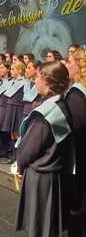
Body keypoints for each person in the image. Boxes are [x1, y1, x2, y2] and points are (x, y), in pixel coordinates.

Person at [15, 62, 71, 237]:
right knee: (48, 226)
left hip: (41, 177)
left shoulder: (47, 113)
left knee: (40, 227)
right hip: (54, 173)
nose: (35, 80)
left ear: (48, 80)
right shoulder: (62, 106)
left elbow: (29, 149)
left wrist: (20, 166)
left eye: (38, 76)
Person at [65, 48, 86, 237]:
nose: (66, 64)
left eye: (69, 61)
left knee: (76, 203)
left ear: (79, 65)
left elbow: (76, 128)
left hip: (77, 158)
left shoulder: (76, 95)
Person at [1, 61, 26, 161]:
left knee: (17, 132)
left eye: (13, 69)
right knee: (12, 132)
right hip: (10, 108)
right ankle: (13, 155)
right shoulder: (11, 82)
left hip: (18, 109)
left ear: (19, 70)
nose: (11, 71)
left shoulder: (24, 82)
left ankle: (18, 157)